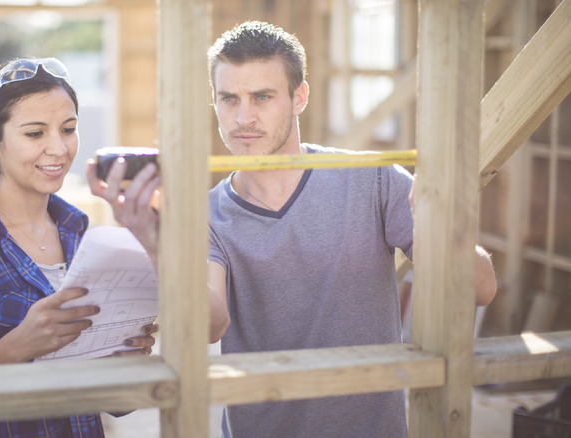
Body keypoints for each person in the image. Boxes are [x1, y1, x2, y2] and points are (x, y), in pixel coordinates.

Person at [88, 21, 498, 438]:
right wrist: (159, 245)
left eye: (262, 97)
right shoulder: (205, 215)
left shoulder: (372, 179)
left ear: (299, 97)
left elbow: (478, 291)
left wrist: (447, 227)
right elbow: (209, 324)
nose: (243, 117)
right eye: (229, 99)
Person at [0, 57, 157, 438]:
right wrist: (15, 348)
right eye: (35, 133)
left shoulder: (80, 233)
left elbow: (113, 402)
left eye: (68, 129)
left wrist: (122, 361)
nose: (58, 149)